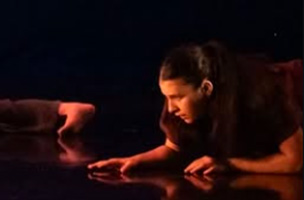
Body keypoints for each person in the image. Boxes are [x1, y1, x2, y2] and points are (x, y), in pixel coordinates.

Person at [88, 42, 303, 177]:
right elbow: (174, 149)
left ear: (206, 88)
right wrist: (135, 161)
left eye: (177, 97)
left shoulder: (261, 93)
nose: (171, 108)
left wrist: (229, 164)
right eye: (166, 97)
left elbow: (295, 161)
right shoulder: (180, 109)